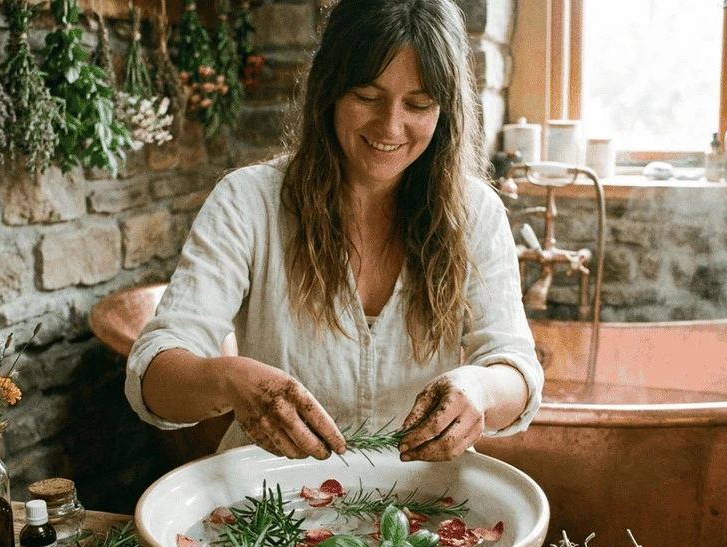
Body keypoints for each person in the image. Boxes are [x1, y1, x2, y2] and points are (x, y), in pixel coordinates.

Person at [125, 0, 542, 462]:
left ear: (444, 111)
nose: (391, 126)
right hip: (267, 504)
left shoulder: (475, 212)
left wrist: (480, 388)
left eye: (419, 104)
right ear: (330, 89)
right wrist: (230, 379)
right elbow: (153, 378)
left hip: (416, 509)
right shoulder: (248, 202)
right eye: (367, 96)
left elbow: (518, 370)